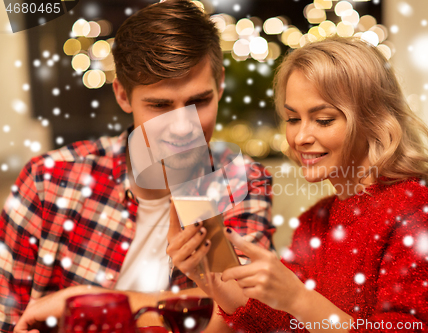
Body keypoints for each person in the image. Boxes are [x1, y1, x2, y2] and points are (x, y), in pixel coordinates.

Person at [169, 36, 428, 332]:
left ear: (372, 120)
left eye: (323, 119)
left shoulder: (418, 215)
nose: (301, 137)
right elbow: (286, 327)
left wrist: (297, 298)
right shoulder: (315, 221)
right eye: (293, 118)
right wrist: (209, 278)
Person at [0, 1, 275, 332]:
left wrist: (82, 299)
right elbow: (9, 318)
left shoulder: (242, 180)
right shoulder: (50, 180)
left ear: (219, 85)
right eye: (160, 105)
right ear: (122, 95)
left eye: (198, 102)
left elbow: (254, 319)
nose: (182, 127)